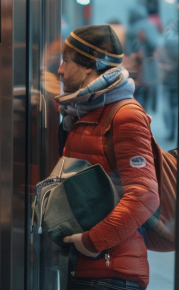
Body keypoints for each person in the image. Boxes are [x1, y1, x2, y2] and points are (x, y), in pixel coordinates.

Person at [56, 25, 159, 290]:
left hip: (110, 274)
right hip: (89, 270)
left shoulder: (125, 115)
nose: (60, 70)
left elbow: (143, 196)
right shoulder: (83, 113)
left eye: (66, 61)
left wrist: (91, 242)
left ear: (89, 67)